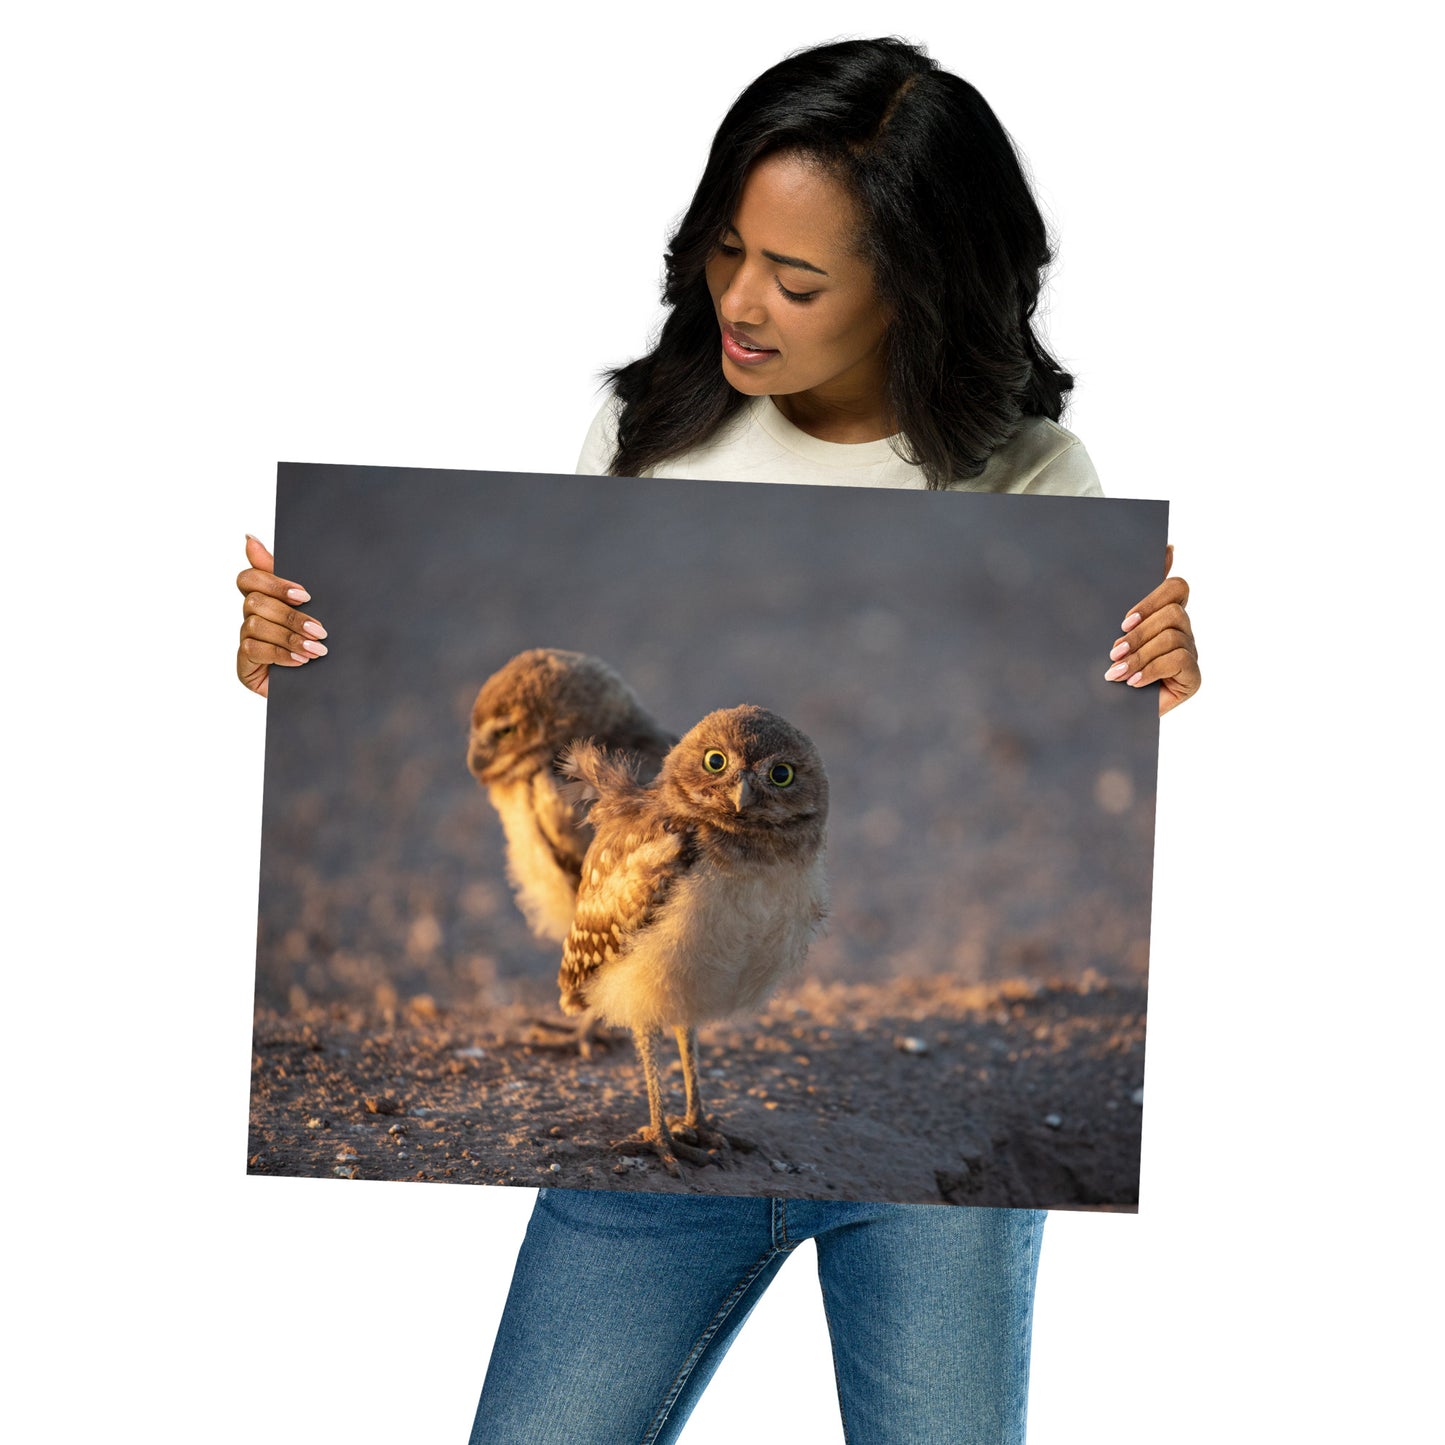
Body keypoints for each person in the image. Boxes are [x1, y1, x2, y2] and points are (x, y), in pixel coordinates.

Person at [236, 37, 1199, 1444]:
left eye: (797, 280)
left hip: (928, 1190)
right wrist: (284, 660)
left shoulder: (1034, 474)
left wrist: (1170, 673)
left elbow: (1145, 708)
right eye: (724, 252)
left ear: (915, 291)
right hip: (645, 1170)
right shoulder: (642, 431)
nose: (743, 302)